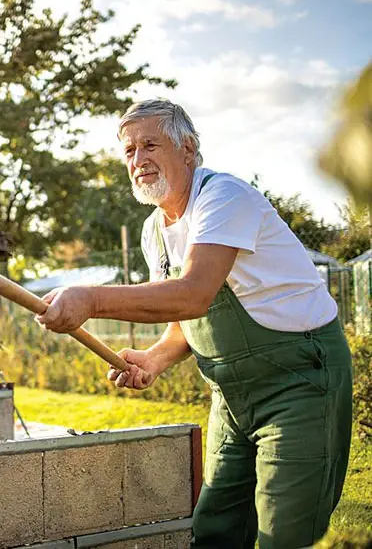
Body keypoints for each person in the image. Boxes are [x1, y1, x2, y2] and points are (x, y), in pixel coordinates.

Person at [35, 99, 354, 549]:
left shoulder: (224, 197)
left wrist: (90, 299)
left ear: (188, 148)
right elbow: (183, 319)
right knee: (216, 529)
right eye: (129, 151)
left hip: (300, 383)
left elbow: (194, 292)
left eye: (150, 145)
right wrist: (153, 358)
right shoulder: (154, 230)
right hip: (232, 398)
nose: (138, 160)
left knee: (287, 531)